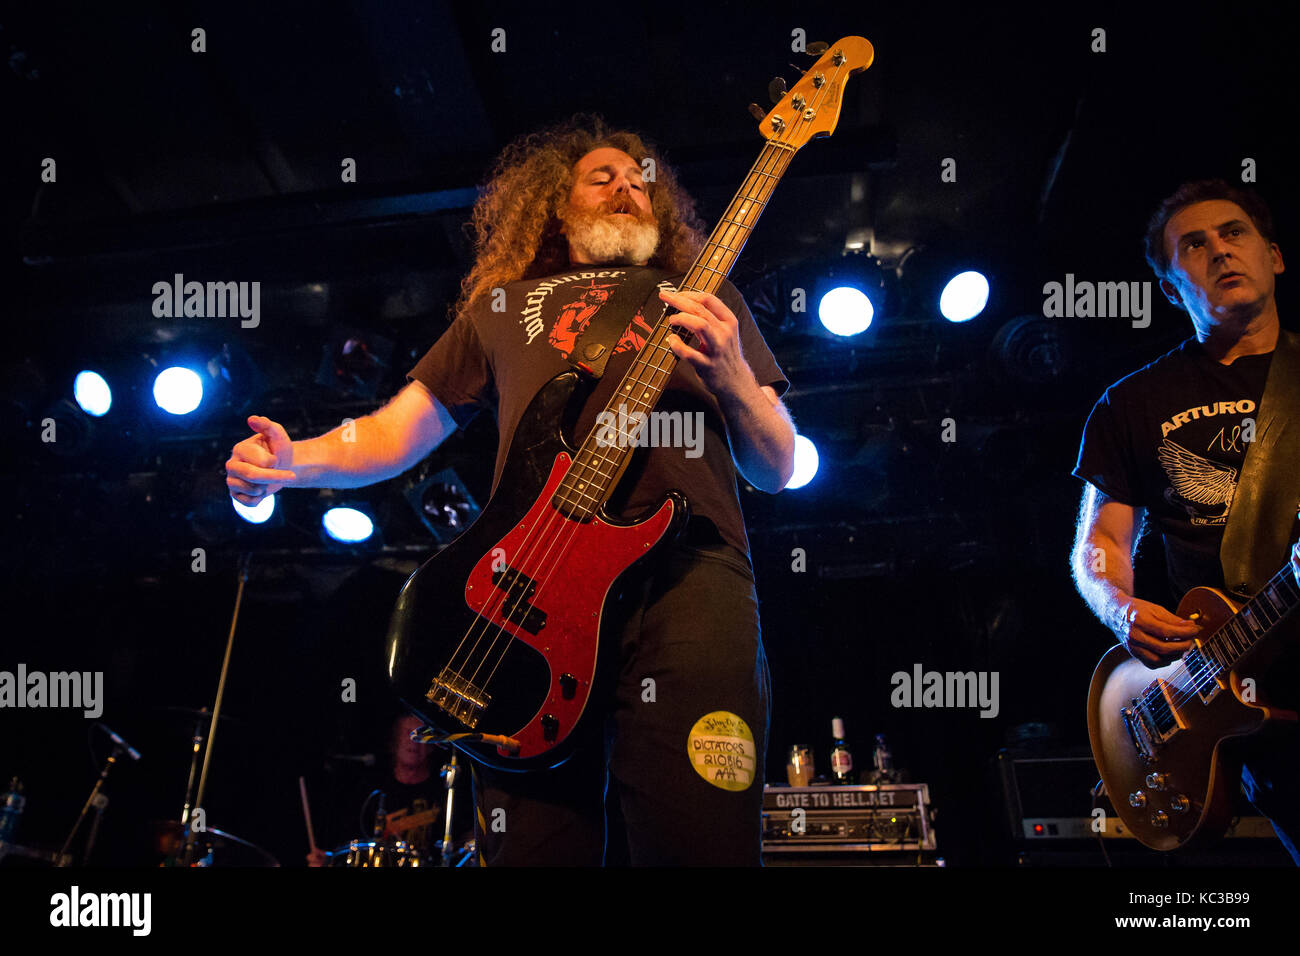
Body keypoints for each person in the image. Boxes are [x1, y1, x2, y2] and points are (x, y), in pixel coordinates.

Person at [227, 115, 795, 865]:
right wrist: (293, 460)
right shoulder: (504, 307)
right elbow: (399, 430)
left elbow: (779, 463)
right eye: (603, 176)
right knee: (532, 846)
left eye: (640, 181)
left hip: (688, 581)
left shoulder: (706, 300)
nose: (627, 185)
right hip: (532, 593)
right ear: (561, 207)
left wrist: (729, 375)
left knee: (702, 842)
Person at [1071, 178, 1300, 863]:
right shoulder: (1133, 403)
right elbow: (1102, 541)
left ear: (1275, 256)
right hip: (1232, 697)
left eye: (1235, 233)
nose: (1220, 252)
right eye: (1193, 246)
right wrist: (1119, 610)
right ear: (1170, 287)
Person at [306, 713, 470, 867]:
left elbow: (464, 843)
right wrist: (329, 859)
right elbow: (353, 848)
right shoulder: (372, 791)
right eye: (407, 733)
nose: (413, 741)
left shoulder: (447, 791)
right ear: (395, 742)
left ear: (433, 745)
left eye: (421, 735)